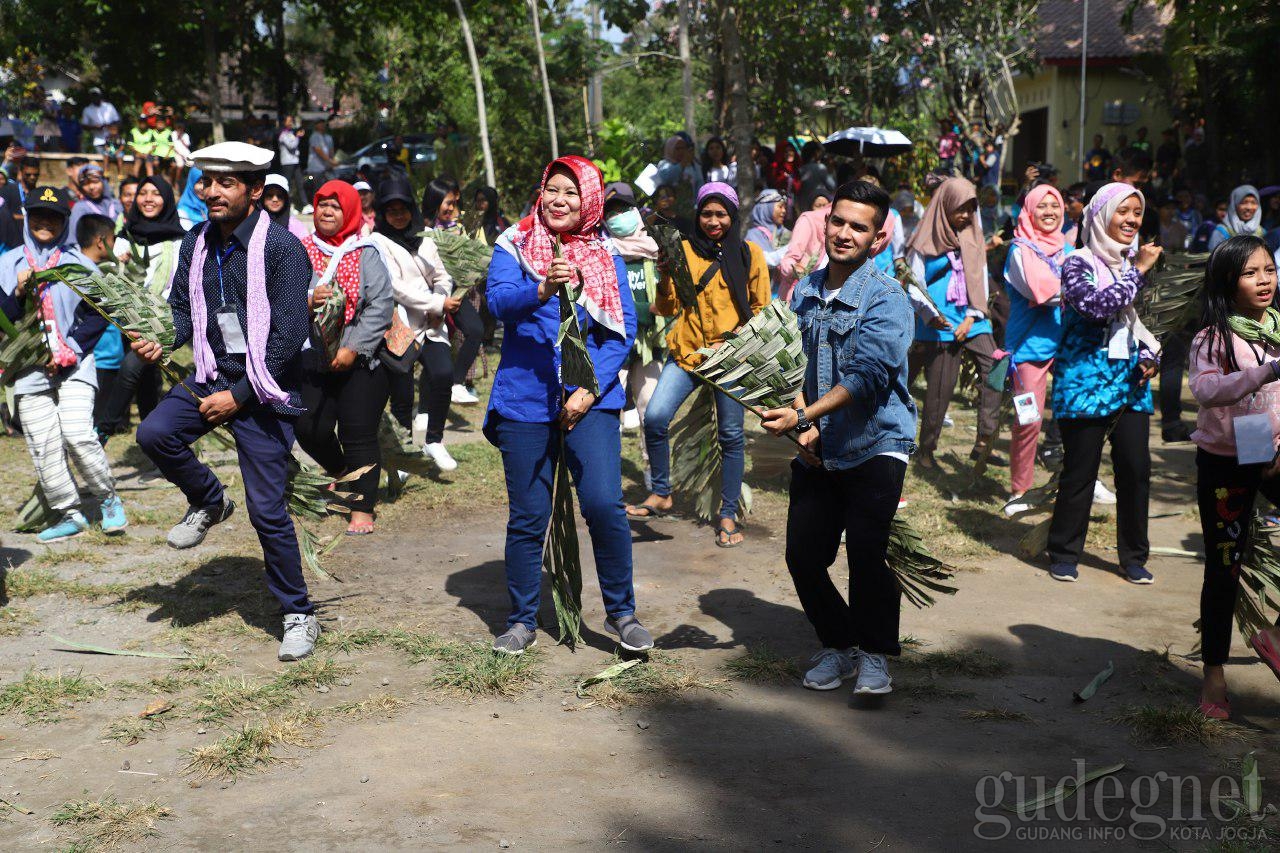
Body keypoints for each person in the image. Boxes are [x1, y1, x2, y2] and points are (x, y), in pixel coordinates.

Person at [129, 141, 320, 662]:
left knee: (267, 511)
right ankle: (210, 501)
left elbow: (286, 336)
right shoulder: (196, 242)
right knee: (153, 433)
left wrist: (238, 397)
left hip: (263, 388)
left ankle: (298, 613)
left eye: (226, 182)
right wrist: (159, 340)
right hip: (211, 374)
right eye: (207, 181)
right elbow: (180, 315)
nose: (211, 191)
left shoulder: (282, 249)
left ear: (255, 191)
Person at [483, 154, 649, 655]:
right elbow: (497, 303)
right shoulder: (513, 244)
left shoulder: (605, 254)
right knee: (529, 516)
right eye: (553, 189)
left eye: (572, 192)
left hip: (590, 401)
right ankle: (522, 620)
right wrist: (542, 287)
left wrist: (587, 388)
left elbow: (624, 327)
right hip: (524, 401)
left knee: (603, 504)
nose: (560, 199)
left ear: (590, 202)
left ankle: (623, 614)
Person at [760, 180, 916, 696]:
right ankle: (840, 644)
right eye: (839, 222)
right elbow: (790, 364)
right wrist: (796, 418)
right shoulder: (802, 291)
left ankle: (875, 657)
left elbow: (869, 375)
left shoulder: (887, 296)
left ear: (877, 237)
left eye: (859, 226)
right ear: (824, 223)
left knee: (868, 552)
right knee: (803, 555)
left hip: (876, 441)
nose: (845, 233)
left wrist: (805, 419)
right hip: (817, 445)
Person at [626, 182, 771, 547]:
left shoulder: (750, 254)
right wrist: (664, 275)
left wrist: (740, 347)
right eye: (706, 213)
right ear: (698, 215)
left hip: (730, 358)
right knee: (656, 417)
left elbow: (762, 310)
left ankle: (727, 516)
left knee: (731, 436)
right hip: (688, 352)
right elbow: (669, 307)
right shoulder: (683, 250)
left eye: (721, 214)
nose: (713, 221)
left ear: (733, 216)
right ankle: (661, 491)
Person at [1045, 183, 1162, 584]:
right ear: (1100, 215)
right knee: (1080, 471)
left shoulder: (1137, 263)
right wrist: (1139, 272)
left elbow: (1152, 327)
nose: (1131, 220)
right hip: (1085, 383)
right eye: (1122, 211)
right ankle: (1063, 551)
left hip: (1130, 382)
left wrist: (1151, 357)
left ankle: (1134, 556)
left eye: (1137, 212)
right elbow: (1095, 307)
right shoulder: (1077, 262)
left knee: (1135, 469)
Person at [0, 186, 127, 541]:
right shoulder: (7, 265)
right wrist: (19, 294)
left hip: (74, 365)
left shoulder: (79, 265)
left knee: (78, 434)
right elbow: (3, 319)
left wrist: (71, 348)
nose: (45, 221)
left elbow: (99, 314)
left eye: (54, 216)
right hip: (27, 369)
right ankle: (69, 513)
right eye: (38, 214)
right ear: (26, 217)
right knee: (43, 445)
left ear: (63, 222)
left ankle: (108, 500)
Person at [1188, 236, 1280, 720]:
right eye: (1251, 273)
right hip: (1224, 459)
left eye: (1269, 269)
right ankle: (1214, 676)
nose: (1264, 280)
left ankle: (1274, 636)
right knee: (1223, 568)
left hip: (1269, 450)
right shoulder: (1213, 337)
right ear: (1228, 280)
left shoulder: (1279, 327)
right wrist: (1265, 373)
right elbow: (1204, 390)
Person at [296, 181, 394, 536]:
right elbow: (281, 295)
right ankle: (341, 472)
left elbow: (381, 304)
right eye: (322, 204)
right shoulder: (300, 249)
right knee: (308, 427)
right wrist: (308, 300)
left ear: (350, 211)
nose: (326, 211)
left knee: (358, 431)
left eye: (336, 206)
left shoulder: (366, 251)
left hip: (362, 359)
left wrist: (351, 347)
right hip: (312, 357)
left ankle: (362, 505)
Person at [905, 177, 1003, 469]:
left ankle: (985, 438)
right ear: (944, 205)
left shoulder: (973, 233)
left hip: (973, 315)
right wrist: (929, 314)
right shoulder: (925, 237)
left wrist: (973, 316)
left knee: (996, 365)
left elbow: (980, 279)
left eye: (970, 209)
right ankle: (926, 451)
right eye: (960, 208)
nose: (965, 215)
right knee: (940, 389)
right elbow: (914, 282)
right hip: (939, 320)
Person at [372, 174, 461, 471]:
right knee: (402, 392)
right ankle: (403, 451)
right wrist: (437, 303)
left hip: (433, 323)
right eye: (391, 210)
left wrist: (441, 298)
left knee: (443, 374)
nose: (398, 216)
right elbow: (394, 286)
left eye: (403, 209)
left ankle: (434, 439)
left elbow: (442, 274)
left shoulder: (425, 238)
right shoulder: (377, 242)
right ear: (382, 213)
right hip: (400, 325)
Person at [1001, 185, 1072, 513]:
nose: (1049, 212)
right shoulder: (1019, 250)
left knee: (1077, 419)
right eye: (1041, 206)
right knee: (1028, 420)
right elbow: (1043, 290)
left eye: (1054, 206)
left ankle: (1071, 485)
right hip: (1029, 350)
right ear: (1029, 211)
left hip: (1068, 343)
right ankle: (1020, 489)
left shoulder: (1067, 247)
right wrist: (1079, 290)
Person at [99, 175, 187, 437]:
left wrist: (157, 315)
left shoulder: (180, 241)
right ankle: (155, 441)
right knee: (148, 381)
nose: (148, 199)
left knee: (131, 368)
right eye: (143, 193)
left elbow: (179, 285)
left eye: (156, 193)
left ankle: (102, 430)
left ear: (168, 200)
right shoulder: (124, 237)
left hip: (162, 319)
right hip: (126, 319)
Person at [602, 182, 665, 459]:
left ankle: (653, 470)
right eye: (611, 212)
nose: (619, 216)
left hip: (650, 345)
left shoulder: (656, 249)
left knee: (651, 410)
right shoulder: (601, 252)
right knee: (605, 412)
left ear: (636, 210)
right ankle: (606, 470)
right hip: (612, 343)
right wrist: (643, 309)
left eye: (624, 208)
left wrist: (657, 310)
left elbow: (670, 298)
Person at [422, 176, 484, 404]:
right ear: (434, 202)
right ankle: (423, 411)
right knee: (433, 347)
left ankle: (457, 382)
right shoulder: (424, 231)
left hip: (456, 290)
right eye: (446, 203)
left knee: (475, 330)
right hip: (430, 293)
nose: (450, 208)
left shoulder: (459, 227)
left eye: (452, 203)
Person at [75, 214, 123, 435]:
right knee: (94, 422)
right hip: (102, 356)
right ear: (101, 241)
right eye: (113, 239)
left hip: (93, 355)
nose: (114, 244)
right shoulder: (93, 277)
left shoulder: (74, 268)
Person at [68, 163, 123, 238]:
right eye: (86, 184)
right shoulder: (80, 208)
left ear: (103, 182)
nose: (91, 187)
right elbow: (73, 237)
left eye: (95, 182)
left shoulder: (116, 204)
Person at [744, 188, 787, 276]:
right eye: (780, 206)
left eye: (785, 207)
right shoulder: (752, 236)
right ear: (767, 208)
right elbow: (764, 261)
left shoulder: (786, 233)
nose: (784, 211)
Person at [1209, 185, 1264, 251]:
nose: (1249, 207)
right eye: (1244, 202)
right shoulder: (1221, 232)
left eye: (1253, 202)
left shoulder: (1261, 232)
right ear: (1234, 205)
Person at [261, 173, 309, 240]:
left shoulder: (296, 226)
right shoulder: (253, 223)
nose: (275, 199)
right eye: (270, 195)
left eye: (280, 196)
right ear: (262, 197)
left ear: (286, 199)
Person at [797, 140, 835, 213]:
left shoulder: (800, 169)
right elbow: (832, 186)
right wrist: (831, 171)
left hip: (803, 208)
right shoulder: (820, 168)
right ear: (816, 153)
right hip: (819, 207)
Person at [80, 89, 120, 154]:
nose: (95, 98)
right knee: (101, 160)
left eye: (96, 95)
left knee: (113, 159)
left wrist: (108, 126)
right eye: (93, 96)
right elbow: (84, 126)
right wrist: (94, 127)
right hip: (98, 141)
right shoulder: (87, 110)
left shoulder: (109, 106)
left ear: (100, 96)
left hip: (112, 140)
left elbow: (117, 121)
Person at [276, 115, 304, 208]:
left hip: (295, 161)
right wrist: (298, 137)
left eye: (291, 121)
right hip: (287, 163)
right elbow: (291, 146)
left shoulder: (292, 133)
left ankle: (305, 204)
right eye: (288, 121)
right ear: (284, 123)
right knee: (287, 184)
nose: (290, 123)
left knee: (300, 183)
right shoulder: (282, 135)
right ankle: (287, 205)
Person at [304, 119, 337, 199]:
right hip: (316, 168)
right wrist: (329, 160)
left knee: (329, 187)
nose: (322, 125)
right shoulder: (314, 136)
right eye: (320, 124)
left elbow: (331, 150)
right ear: (316, 126)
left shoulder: (328, 137)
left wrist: (332, 161)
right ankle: (316, 205)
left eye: (323, 123)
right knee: (317, 188)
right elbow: (318, 150)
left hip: (326, 167)